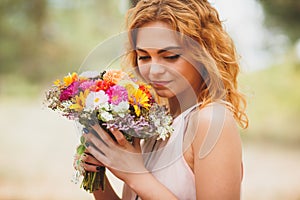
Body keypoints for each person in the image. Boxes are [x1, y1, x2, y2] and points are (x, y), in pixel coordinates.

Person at [77, 0, 248, 199]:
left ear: (203, 54)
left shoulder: (211, 120)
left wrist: (134, 174)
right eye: (144, 57)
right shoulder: (152, 127)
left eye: (170, 56)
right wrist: (98, 178)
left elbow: (138, 180)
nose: (154, 71)